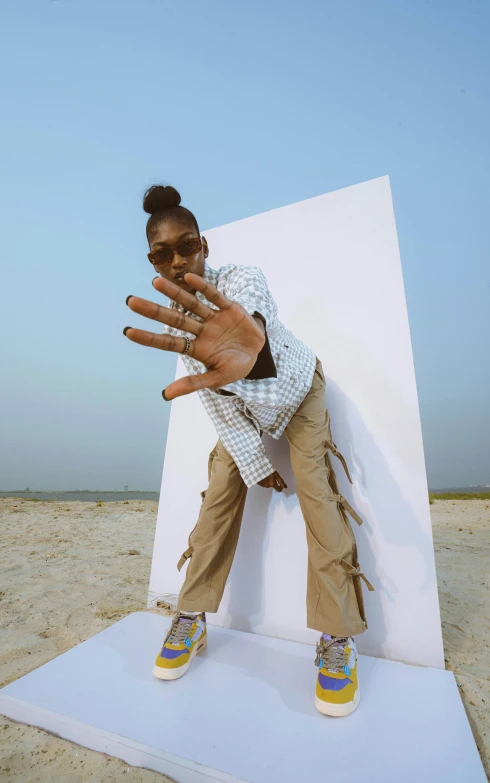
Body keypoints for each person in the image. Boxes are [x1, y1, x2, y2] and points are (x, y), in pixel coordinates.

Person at [123, 184, 374, 717]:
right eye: (161, 253)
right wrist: (257, 468)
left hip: (299, 389)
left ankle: (337, 637)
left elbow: (253, 318)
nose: (176, 260)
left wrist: (249, 342)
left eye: (185, 245)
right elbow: (219, 409)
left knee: (316, 493)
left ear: (204, 245)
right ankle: (192, 616)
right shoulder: (181, 332)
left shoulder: (241, 279)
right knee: (218, 492)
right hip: (247, 414)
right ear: (152, 260)